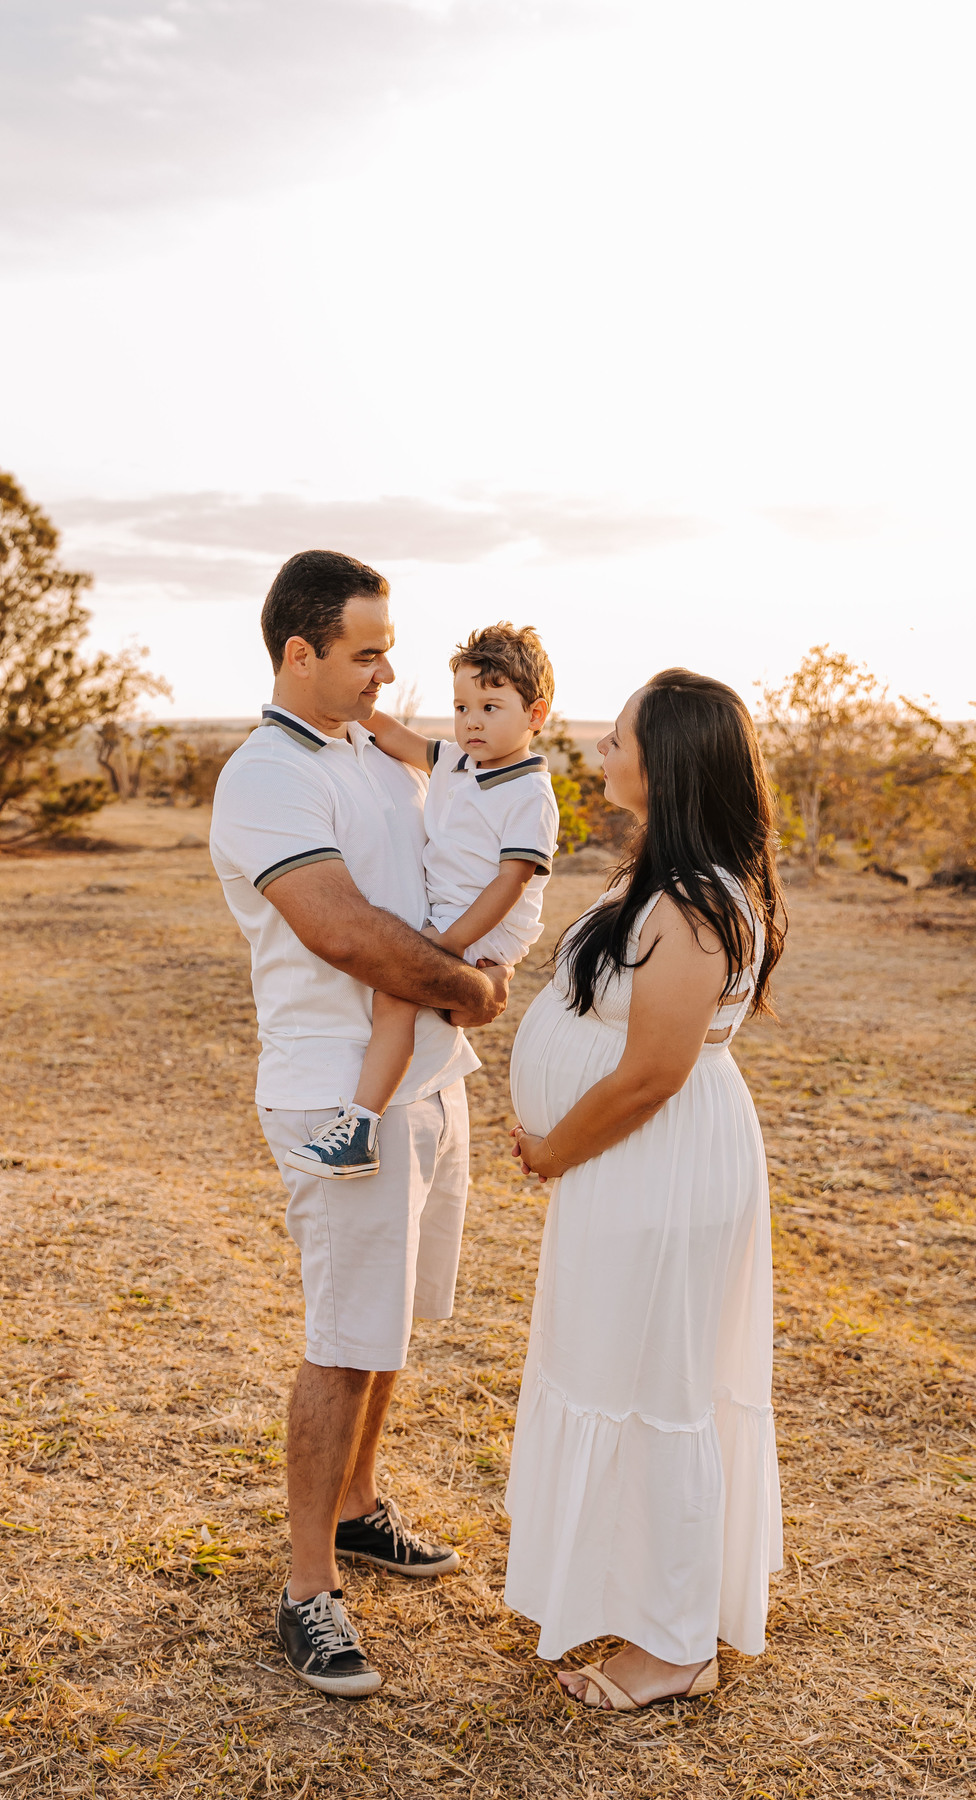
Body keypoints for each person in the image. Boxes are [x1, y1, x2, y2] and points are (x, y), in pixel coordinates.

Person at [209, 550, 512, 1698]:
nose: (388, 671)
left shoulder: (368, 751)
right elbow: (340, 927)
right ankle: (307, 1588)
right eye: (367, 652)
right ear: (301, 653)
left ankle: (356, 1506)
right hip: (340, 1091)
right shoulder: (266, 777)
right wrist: (471, 986)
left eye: (389, 648)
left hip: (430, 1078)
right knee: (342, 1339)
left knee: (388, 1326)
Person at [504, 669, 786, 1712]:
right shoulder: (667, 880)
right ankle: (645, 1601)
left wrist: (554, 1149)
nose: (602, 750)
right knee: (622, 1369)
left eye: (617, 738)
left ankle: (675, 1647)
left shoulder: (698, 902)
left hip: (658, 1161)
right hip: (633, 1163)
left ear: (664, 763)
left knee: (657, 1384)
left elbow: (653, 1073)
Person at [284, 621, 559, 1180]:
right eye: (461, 707)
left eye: (490, 707)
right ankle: (367, 1120)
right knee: (421, 1000)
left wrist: (448, 943)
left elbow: (511, 882)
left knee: (397, 992)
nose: (472, 721)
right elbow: (394, 734)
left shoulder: (529, 793)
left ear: (535, 715)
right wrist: (348, 704)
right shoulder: (457, 762)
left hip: (485, 924)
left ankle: (360, 1128)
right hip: (449, 916)